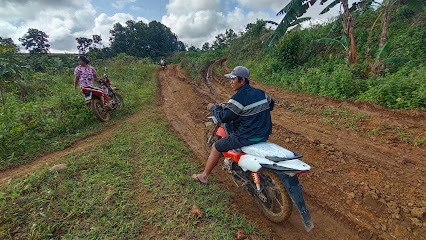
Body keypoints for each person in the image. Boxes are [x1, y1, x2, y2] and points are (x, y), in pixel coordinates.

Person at [192, 66, 274, 184]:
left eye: (233, 79)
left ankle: (204, 176)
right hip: (264, 135)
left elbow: (224, 117)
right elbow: (271, 105)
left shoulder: (238, 98)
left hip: (246, 137)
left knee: (216, 146)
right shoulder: (261, 93)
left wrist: (213, 108)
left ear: (242, 80)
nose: (231, 82)